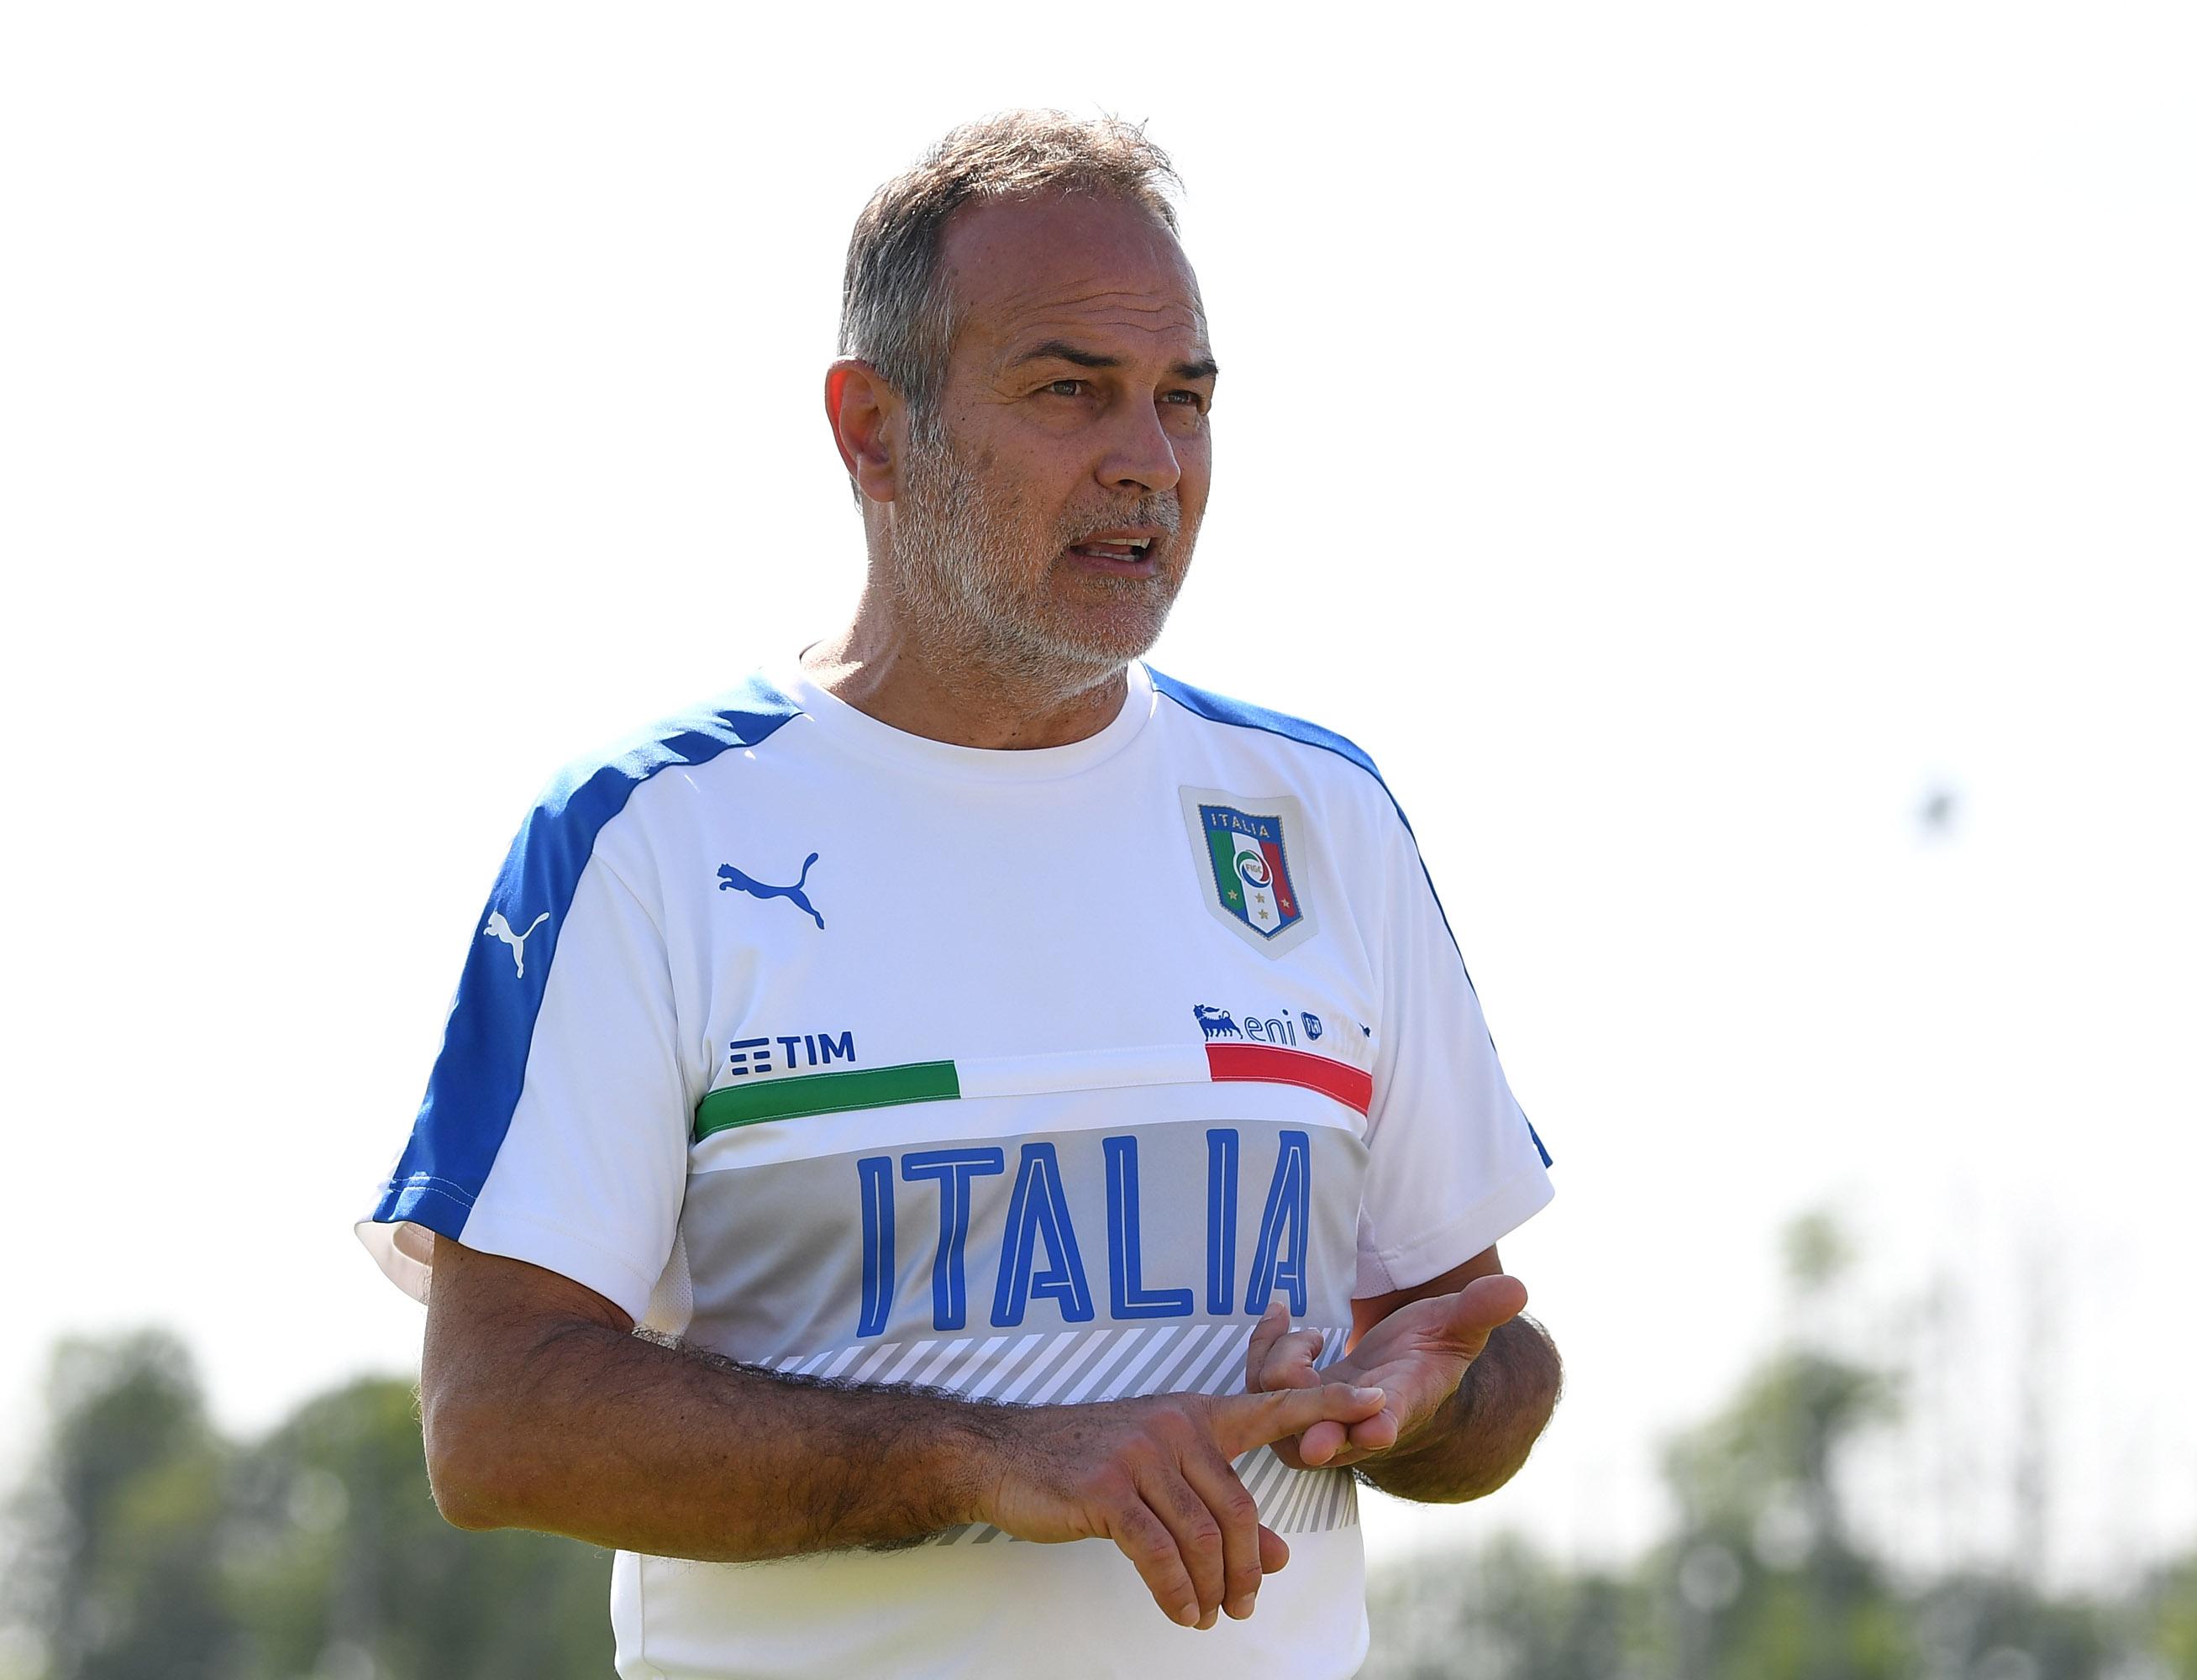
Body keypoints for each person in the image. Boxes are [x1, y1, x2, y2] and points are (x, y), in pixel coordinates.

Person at [357, 111, 1561, 1680]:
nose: (1151, 459)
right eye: (1072, 390)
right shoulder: (645, 835)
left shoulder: (1318, 814)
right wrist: (996, 1457)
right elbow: (498, 1420)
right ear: (872, 429)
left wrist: (1429, 1401)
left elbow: (1490, 1361)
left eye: (1183, 399)